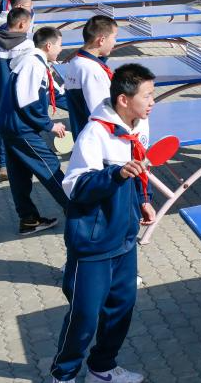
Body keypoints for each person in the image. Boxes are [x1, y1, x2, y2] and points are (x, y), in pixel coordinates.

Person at [50, 63, 157, 383]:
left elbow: (139, 170)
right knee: (84, 316)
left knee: (121, 309)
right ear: (124, 99)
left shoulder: (139, 125)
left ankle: (102, 368)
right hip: (94, 242)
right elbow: (75, 187)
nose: (153, 102)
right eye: (147, 95)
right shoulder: (95, 133)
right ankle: (63, 375)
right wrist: (115, 174)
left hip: (125, 239)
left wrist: (143, 199)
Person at [0, 26, 70, 235]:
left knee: (19, 174)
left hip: (10, 126)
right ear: (49, 46)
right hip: (20, 129)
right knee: (49, 165)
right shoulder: (33, 65)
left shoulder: (37, 63)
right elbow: (28, 102)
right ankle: (76, 211)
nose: (61, 49)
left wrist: (84, 107)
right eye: (60, 45)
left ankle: (28, 220)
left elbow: (56, 94)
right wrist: (50, 125)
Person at [0, 7, 35, 181]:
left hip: (1, 94)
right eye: (29, 24)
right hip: (21, 96)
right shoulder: (28, 45)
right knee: (22, 127)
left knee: (5, 127)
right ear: (22, 24)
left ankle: (4, 165)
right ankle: (20, 163)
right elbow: (31, 73)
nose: (29, 27)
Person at [64, 16, 120, 136]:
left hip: (82, 134)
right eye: (114, 37)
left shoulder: (75, 62)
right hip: (96, 140)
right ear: (101, 40)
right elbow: (102, 114)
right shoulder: (92, 71)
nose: (115, 42)